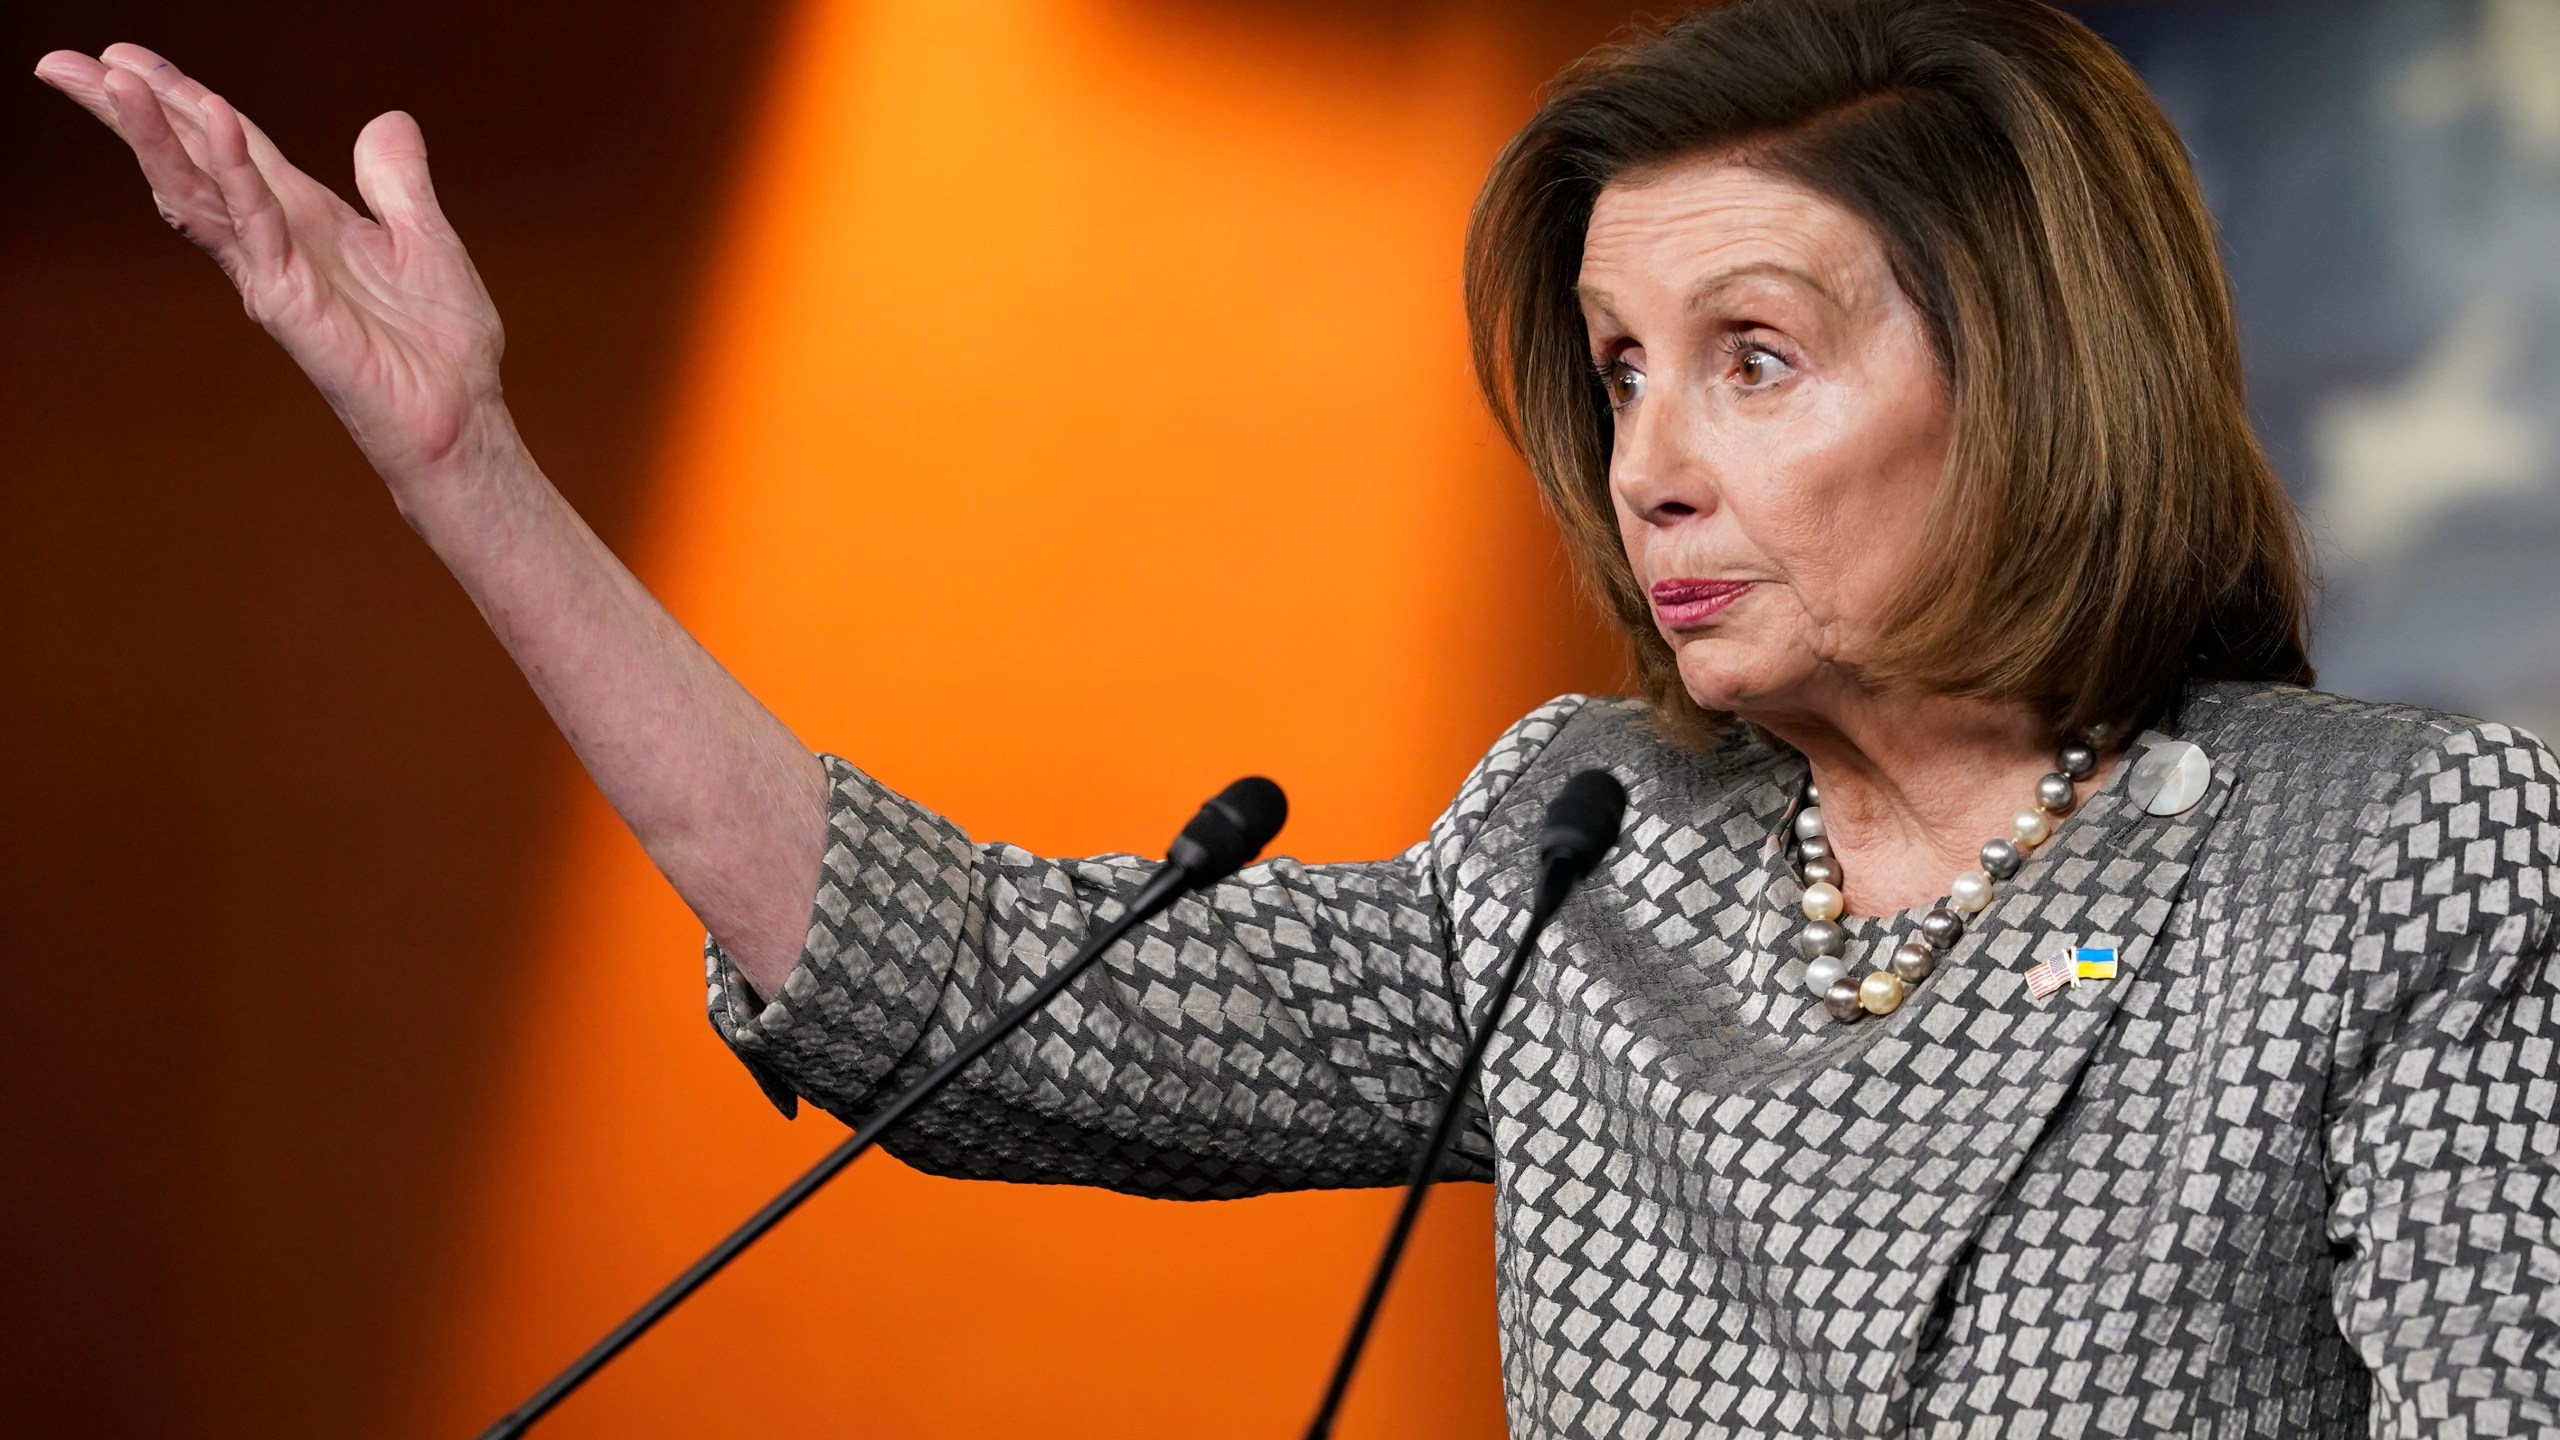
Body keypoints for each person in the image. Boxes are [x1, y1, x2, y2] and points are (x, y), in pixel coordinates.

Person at [37, 0, 2560, 1434]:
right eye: (1612, 372)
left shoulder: (2396, 859)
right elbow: (994, 999)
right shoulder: (1593, 847)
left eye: (1749, 361)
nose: (1644, 465)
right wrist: (477, 479)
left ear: (2030, 381)